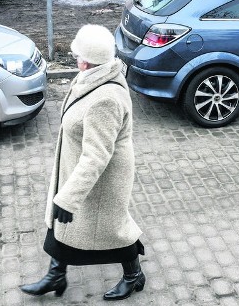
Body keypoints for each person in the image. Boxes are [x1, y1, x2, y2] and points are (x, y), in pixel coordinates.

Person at [20, 24, 145, 301]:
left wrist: (69, 197)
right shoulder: (94, 75)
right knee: (62, 224)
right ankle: (56, 275)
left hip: (102, 177)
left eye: (78, 55)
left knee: (112, 230)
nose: (76, 59)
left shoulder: (106, 99)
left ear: (86, 59)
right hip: (77, 168)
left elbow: (97, 156)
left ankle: (134, 275)